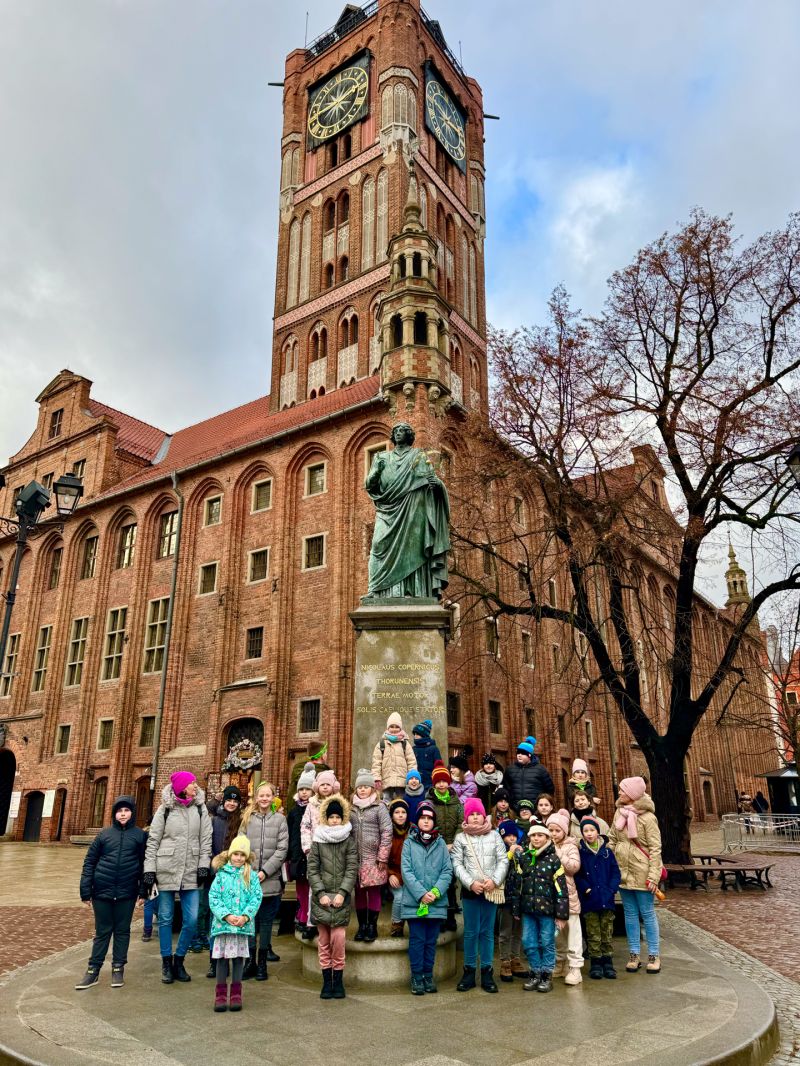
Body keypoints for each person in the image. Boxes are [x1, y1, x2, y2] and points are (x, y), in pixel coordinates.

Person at [365, 421, 450, 600]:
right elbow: (370, 486)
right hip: (387, 508)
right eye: (396, 430)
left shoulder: (417, 456)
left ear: (409, 435)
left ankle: (415, 590)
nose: (398, 433)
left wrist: (438, 486)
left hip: (413, 505)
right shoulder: (381, 457)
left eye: (403, 430)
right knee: (378, 545)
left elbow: (430, 479)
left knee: (414, 549)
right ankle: (377, 589)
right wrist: (375, 473)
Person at [143, 770, 212, 985]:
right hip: (166, 869)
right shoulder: (165, 809)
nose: (196, 786)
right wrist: (149, 870)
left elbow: (206, 840)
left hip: (191, 870)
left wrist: (203, 865)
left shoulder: (201, 809)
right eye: (192, 783)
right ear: (182, 786)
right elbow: (153, 840)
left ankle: (179, 959)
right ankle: (166, 961)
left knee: (191, 920)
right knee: (165, 918)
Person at [75, 796, 146, 990]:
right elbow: (89, 862)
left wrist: (143, 892)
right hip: (102, 891)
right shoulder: (104, 835)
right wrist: (85, 890)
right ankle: (93, 970)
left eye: (126, 810)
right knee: (102, 931)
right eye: (119, 811)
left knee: (122, 930)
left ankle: (118, 968)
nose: (123, 814)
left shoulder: (140, 836)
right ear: (114, 814)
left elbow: (144, 866)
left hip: (127, 891)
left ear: (132, 813)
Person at [451, 798, 507, 993]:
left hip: (490, 889)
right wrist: (470, 883)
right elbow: (457, 863)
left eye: (478, 814)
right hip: (471, 890)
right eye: (471, 814)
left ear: (484, 815)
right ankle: (469, 971)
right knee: (470, 932)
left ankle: (486, 971)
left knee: (487, 932)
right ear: (467, 817)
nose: (475, 817)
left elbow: (503, 860)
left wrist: (495, 880)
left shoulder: (494, 836)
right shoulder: (461, 838)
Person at [607, 776, 663, 975]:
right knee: (629, 914)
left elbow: (655, 849)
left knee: (647, 913)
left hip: (642, 871)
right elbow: (612, 838)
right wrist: (610, 859)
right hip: (623, 870)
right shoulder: (619, 813)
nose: (619, 793)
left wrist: (653, 876)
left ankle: (654, 954)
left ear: (632, 794)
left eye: (623, 790)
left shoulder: (648, 818)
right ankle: (634, 954)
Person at [307, 794, 359, 1000]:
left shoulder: (348, 839)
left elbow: (352, 868)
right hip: (322, 898)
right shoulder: (318, 839)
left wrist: (342, 893)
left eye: (338, 817)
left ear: (343, 818)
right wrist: (320, 893)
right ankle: (326, 982)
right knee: (324, 941)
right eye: (331, 817)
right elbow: (313, 869)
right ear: (326, 818)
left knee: (338, 939)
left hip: (340, 898)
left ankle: (338, 981)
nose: (335, 820)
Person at [400, 800, 453, 995]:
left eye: (429, 818)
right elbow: (406, 870)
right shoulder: (409, 843)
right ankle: (417, 976)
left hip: (436, 902)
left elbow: (447, 871)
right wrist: (422, 893)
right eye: (422, 817)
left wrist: (436, 892)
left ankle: (428, 975)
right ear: (417, 820)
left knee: (431, 941)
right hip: (415, 902)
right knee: (417, 940)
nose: (426, 821)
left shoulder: (440, 844)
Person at [207, 835, 263, 1012]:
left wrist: (246, 916)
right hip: (224, 926)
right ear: (230, 854)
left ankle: (236, 993)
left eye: (242, 855)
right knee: (222, 960)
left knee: (239, 959)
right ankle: (221, 994)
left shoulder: (251, 876)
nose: (238, 858)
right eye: (235, 854)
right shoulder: (221, 875)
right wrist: (226, 915)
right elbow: (213, 897)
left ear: (246, 857)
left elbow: (256, 897)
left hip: (241, 926)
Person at [239, 780, 289, 980]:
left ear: (273, 797)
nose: (264, 799)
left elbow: (282, 849)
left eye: (268, 795)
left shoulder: (279, 820)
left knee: (266, 922)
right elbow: (240, 845)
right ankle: (250, 961)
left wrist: (265, 872)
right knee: (250, 921)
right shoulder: (247, 818)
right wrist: (250, 871)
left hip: (270, 879)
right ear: (256, 797)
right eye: (261, 795)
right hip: (249, 878)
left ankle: (262, 963)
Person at [513, 823, 569, 993]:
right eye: (533, 835)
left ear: (547, 838)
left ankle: (546, 974)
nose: (536, 838)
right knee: (528, 942)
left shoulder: (553, 859)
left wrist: (561, 914)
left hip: (547, 911)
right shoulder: (524, 858)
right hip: (528, 910)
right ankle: (535, 972)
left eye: (540, 835)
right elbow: (518, 885)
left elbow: (561, 888)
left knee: (547, 942)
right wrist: (516, 908)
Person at [195, 784, 244, 958]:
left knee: (222, 909)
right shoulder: (215, 820)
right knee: (204, 906)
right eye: (229, 800)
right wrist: (213, 862)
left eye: (234, 801)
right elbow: (207, 842)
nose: (231, 803)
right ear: (223, 800)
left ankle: (215, 938)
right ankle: (200, 937)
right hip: (212, 869)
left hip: (230, 871)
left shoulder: (240, 822)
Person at [575, 815, 621, 980]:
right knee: (593, 932)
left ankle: (608, 962)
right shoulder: (581, 853)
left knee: (606, 931)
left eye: (591, 830)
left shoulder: (607, 853)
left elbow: (615, 873)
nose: (589, 833)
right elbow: (578, 875)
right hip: (590, 900)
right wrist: (586, 889)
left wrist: (611, 889)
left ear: (598, 832)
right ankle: (596, 963)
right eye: (585, 831)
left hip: (606, 898)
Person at [350, 768, 392, 942]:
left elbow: (387, 831)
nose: (362, 790)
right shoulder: (350, 808)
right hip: (355, 859)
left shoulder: (379, 807)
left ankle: (372, 926)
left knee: (374, 892)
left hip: (373, 859)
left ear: (372, 789)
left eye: (366, 787)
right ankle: (362, 926)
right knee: (359, 892)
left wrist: (382, 856)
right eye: (360, 787)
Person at [546, 809, 583, 986]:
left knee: (573, 932)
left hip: (569, 897)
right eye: (551, 830)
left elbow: (574, 867)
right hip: (551, 896)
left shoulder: (571, 846)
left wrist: (558, 853)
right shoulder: (544, 845)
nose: (553, 834)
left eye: (557, 831)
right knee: (557, 934)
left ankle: (575, 966)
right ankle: (560, 963)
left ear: (564, 831)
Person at [427, 760, 464, 931]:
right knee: (437, 882)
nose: (441, 784)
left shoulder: (456, 802)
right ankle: (439, 917)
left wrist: (453, 841)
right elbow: (428, 823)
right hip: (436, 847)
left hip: (453, 847)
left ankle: (450, 917)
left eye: (444, 781)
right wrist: (441, 843)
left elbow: (460, 823)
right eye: (438, 781)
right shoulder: (430, 802)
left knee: (450, 882)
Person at [287, 762, 316, 939]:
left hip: (310, 854)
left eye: (307, 789)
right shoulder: (294, 811)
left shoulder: (314, 808)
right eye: (302, 789)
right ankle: (302, 915)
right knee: (301, 888)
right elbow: (291, 833)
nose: (304, 792)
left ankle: (309, 917)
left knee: (311, 887)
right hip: (297, 855)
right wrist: (291, 855)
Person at [497, 820, 527, 982]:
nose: (511, 839)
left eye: (514, 835)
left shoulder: (522, 850)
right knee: (505, 931)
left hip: (520, 897)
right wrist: (509, 854)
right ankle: (505, 961)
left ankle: (516, 959)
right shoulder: (500, 850)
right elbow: (499, 869)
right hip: (506, 898)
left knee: (518, 931)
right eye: (508, 836)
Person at [371, 712, 417, 801]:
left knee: (402, 802)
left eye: (397, 727)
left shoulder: (405, 744)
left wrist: (412, 777)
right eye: (392, 726)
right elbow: (376, 763)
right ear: (388, 727)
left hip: (402, 781)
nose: (394, 729)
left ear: (400, 728)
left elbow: (411, 761)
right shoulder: (381, 744)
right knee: (386, 802)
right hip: (386, 781)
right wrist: (377, 778)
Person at [502, 736, 555, 812]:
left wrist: (541, 806)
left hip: (535, 811)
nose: (519, 755)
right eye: (518, 753)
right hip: (515, 810)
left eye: (523, 753)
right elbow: (506, 789)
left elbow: (549, 790)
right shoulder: (510, 769)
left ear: (529, 755)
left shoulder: (540, 769)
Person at [286, 740, 330, 814]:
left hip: (295, 813)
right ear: (322, 755)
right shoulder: (324, 773)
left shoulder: (297, 769)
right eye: (325, 753)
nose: (326, 755)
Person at [388, 798, 410, 936]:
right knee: (400, 896)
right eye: (397, 812)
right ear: (392, 815)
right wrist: (390, 874)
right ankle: (397, 925)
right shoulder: (387, 831)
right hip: (393, 873)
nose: (400, 815)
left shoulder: (413, 830)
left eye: (403, 812)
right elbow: (382, 857)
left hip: (409, 873)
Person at [411, 719, 443, 791]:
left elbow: (439, 766)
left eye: (417, 734)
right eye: (414, 734)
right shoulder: (413, 749)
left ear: (424, 735)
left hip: (430, 785)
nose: (415, 736)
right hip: (415, 784)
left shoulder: (434, 749)